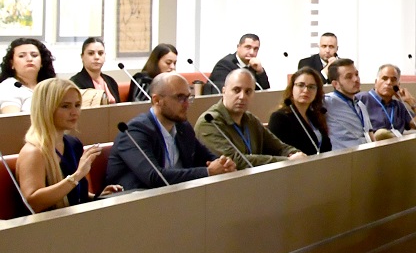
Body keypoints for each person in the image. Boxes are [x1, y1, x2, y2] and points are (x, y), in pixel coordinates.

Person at [106, 73, 236, 190]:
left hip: (176, 196)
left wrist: (223, 164)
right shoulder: (135, 132)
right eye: (180, 98)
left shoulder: (183, 127)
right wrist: (207, 172)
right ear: (157, 100)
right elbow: (154, 177)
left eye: (188, 97)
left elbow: (205, 157)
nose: (187, 104)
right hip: (136, 201)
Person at [16, 78, 120, 211]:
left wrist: (97, 197)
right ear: (46, 108)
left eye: (77, 105)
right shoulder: (33, 152)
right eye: (65, 106)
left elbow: (72, 196)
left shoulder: (73, 144)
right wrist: (77, 175)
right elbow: (33, 203)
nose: (74, 112)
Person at [196, 68, 305, 168]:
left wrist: (296, 154)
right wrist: (287, 161)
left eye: (248, 91)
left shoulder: (250, 119)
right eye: (236, 90)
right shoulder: (209, 122)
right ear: (224, 91)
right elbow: (235, 160)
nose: (242, 96)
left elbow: (279, 147)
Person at [268, 66, 331, 155]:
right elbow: (277, 151)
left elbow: (326, 147)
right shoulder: (279, 117)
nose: (306, 90)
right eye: (301, 85)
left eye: (311, 87)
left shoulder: (315, 116)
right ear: (292, 88)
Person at [360, 63, 416, 134]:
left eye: (393, 80)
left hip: (397, 143)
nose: (389, 82)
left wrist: (411, 101)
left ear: (398, 85)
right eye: (385, 78)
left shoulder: (399, 107)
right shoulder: (362, 99)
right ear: (376, 82)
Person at [323, 58, 375, 149]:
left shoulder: (360, 105)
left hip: (366, 152)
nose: (356, 79)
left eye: (356, 74)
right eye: (349, 77)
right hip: (343, 155)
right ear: (336, 84)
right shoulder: (327, 102)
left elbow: (370, 134)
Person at [0, 37, 53, 114]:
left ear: (42, 62)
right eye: (21, 56)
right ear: (12, 63)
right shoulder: (8, 87)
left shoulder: (50, 85)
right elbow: (12, 119)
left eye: (34, 55)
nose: (29, 59)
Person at [69, 37, 121, 105]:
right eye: (91, 53)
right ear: (82, 57)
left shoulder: (111, 81)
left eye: (100, 53)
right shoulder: (74, 83)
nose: (96, 57)